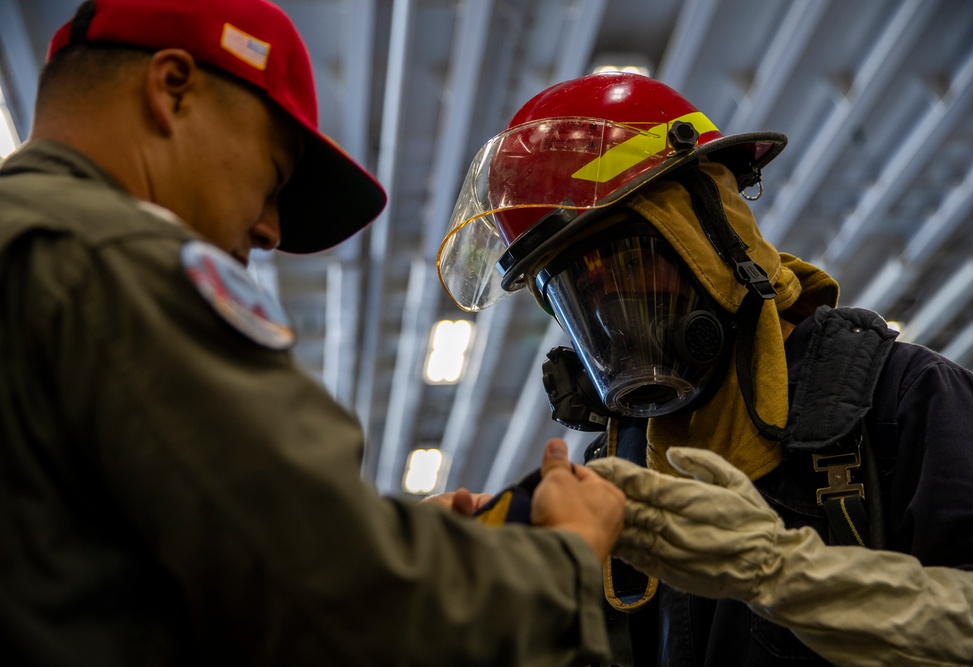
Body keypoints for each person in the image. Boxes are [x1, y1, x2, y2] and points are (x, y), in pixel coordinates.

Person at [0, 1, 626, 665]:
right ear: (171, 89)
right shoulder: (108, 261)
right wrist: (564, 558)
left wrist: (389, 538)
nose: (269, 230)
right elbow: (346, 606)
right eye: (273, 175)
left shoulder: (31, 251)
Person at [437, 71, 973, 665]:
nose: (615, 316)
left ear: (712, 234)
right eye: (585, 295)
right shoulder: (619, 472)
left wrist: (780, 574)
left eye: (628, 269)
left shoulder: (900, 399)